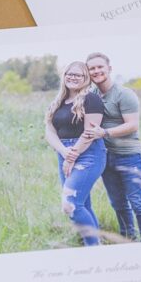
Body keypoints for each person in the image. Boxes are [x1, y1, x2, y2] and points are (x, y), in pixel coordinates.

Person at [82, 52, 141, 242]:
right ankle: (127, 239)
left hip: (128, 156)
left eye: (100, 67)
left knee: (138, 202)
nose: (96, 71)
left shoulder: (124, 94)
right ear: (88, 72)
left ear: (109, 68)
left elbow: (132, 125)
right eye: (92, 68)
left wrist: (105, 133)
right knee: (118, 203)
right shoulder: (92, 96)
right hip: (105, 157)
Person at [44, 61, 106, 246]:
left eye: (78, 75)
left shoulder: (91, 99)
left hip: (89, 153)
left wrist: (71, 156)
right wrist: (64, 152)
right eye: (69, 74)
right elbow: (49, 131)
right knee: (82, 205)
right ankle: (97, 246)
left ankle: (93, 248)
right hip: (64, 151)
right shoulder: (58, 102)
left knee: (70, 204)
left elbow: (89, 132)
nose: (72, 77)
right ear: (64, 76)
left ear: (86, 78)